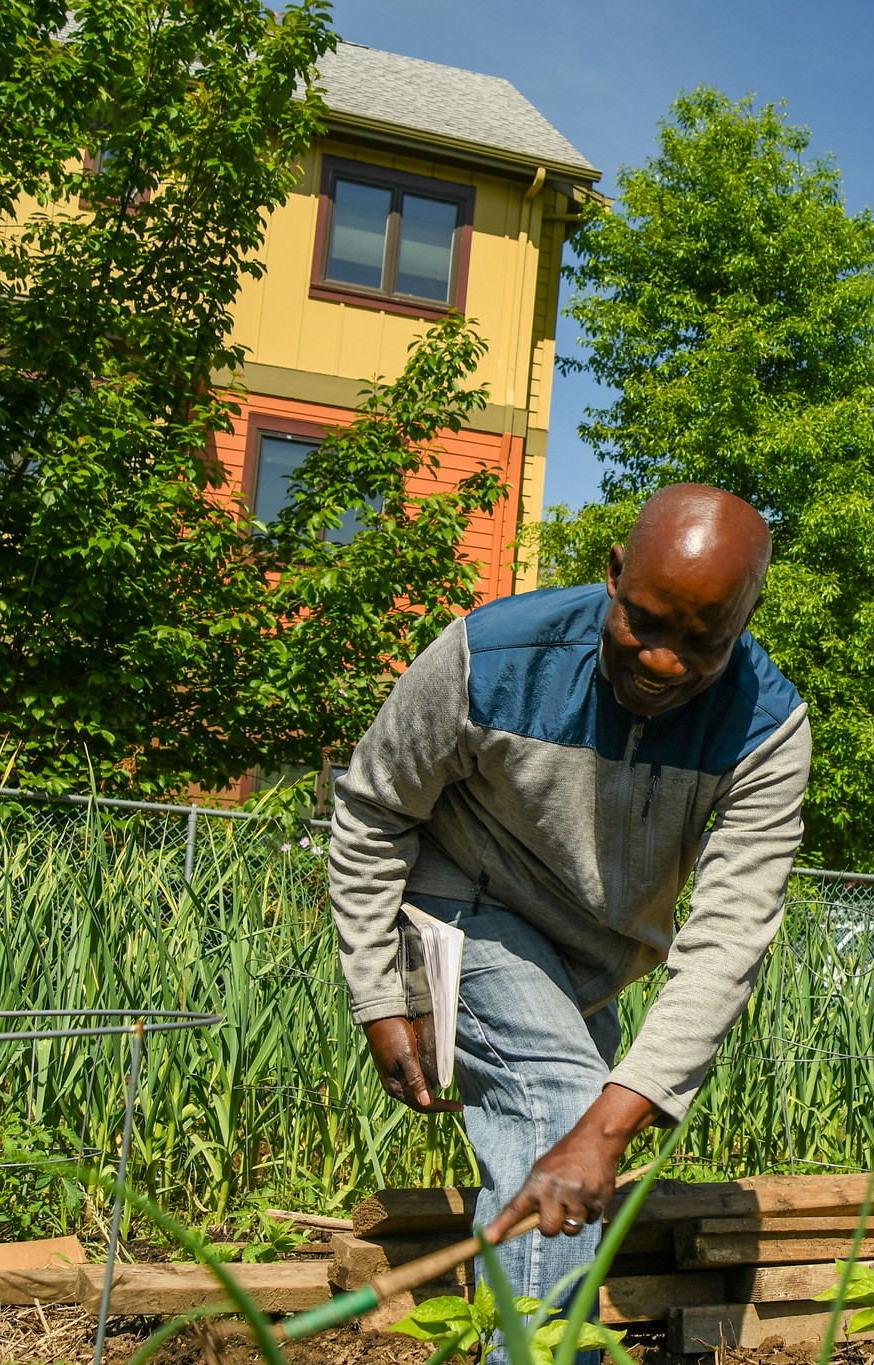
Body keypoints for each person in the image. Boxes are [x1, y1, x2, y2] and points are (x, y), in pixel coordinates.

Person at [327, 484, 810, 1336]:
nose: (664, 661)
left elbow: (727, 940)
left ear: (748, 617)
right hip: (461, 902)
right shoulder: (494, 656)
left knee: (561, 1141)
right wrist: (377, 991)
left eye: (703, 643)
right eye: (646, 623)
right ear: (616, 573)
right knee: (557, 1102)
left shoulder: (766, 730)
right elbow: (375, 811)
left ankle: (512, 1328)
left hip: (591, 961)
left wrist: (615, 1120)